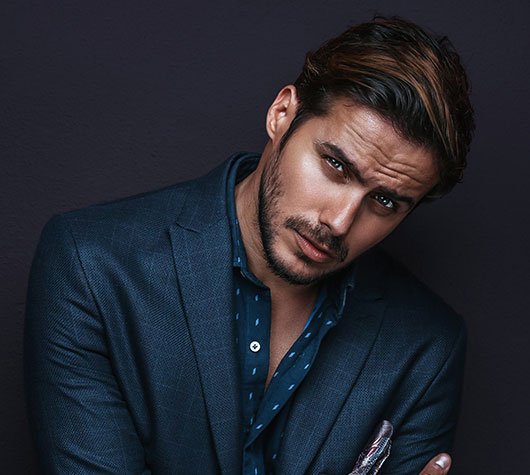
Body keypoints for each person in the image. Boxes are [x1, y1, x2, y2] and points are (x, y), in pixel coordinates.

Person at [24, 16, 474, 474]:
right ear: (282, 114)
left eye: (385, 201)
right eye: (336, 165)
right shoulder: (92, 266)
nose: (339, 222)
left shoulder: (425, 347)